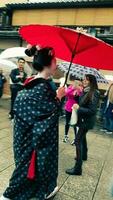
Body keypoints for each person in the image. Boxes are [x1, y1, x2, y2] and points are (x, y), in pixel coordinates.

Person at [0, 46, 65, 200]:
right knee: (27, 165)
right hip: (31, 136)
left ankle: (41, 189)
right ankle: (9, 195)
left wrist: (55, 95)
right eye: (55, 60)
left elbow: (39, 108)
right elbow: (48, 112)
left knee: (28, 164)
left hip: (23, 131)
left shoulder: (34, 81)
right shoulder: (41, 86)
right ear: (48, 64)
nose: (57, 64)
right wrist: (59, 98)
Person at [66, 74, 100, 176]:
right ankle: (84, 155)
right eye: (84, 79)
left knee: (77, 141)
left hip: (86, 121)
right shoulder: (86, 91)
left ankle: (78, 168)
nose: (84, 81)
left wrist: (78, 108)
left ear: (91, 82)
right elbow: (82, 103)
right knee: (82, 138)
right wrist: (77, 95)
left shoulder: (94, 92)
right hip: (84, 120)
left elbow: (92, 110)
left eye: (87, 80)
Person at [63, 78, 83, 143]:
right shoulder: (71, 87)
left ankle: (75, 139)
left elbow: (80, 97)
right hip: (68, 107)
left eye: (77, 83)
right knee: (67, 122)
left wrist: (78, 90)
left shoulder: (80, 89)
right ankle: (66, 136)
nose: (75, 84)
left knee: (74, 123)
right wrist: (73, 88)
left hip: (75, 108)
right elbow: (66, 93)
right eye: (75, 82)